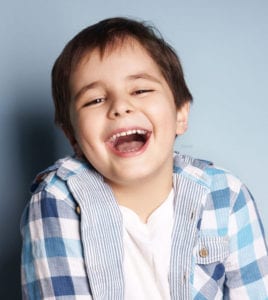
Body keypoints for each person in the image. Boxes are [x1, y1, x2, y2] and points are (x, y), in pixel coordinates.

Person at [21, 17, 268, 299]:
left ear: (180, 114)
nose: (121, 106)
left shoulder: (227, 196)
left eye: (140, 90)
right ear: (73, 136)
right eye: (95, 100)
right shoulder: (57, 199)